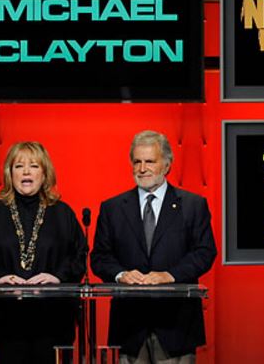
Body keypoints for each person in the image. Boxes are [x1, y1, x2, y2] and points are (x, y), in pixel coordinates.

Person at [90, 130, 217, 364]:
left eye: (150, 161)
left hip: (176, 326)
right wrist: (121, 274)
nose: (142, 168)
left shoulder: (193, 205)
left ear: (167, 165)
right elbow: (99, 257)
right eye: (137, 161)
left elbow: (204, 252)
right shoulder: (112, 208)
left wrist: (170, 275)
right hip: (129, 327)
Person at [0, 141, 88, 364]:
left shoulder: (62, 213)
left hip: (53, 320)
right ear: (10, 173)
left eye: (34, 166)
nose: (26, 172)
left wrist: (57, 277)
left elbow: (79, 255)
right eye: (19, 166)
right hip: (6, 321)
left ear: (45, 173)